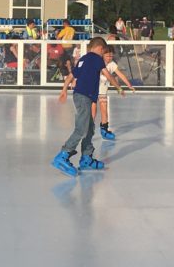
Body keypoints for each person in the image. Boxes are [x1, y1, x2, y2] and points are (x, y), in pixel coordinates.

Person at [52, 37, 124, 177]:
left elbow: (71, 76)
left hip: (80, 96)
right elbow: (108, 74)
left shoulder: (83, 59)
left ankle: (86, 158)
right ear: (101, 49)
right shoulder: (97, 58)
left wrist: (64, 90)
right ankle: (62, 156)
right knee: (82, 129)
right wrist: (119, 88)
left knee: (90, 128)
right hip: (84, 97)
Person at [92, 45, 135, 140]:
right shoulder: (96, 62)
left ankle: (104, 129)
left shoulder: (112, 64)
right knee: (93, 111)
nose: (109, 58)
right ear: (102, 55)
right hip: (92, 89)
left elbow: (120, 74)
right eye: (107, 56)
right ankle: (89, 129)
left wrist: (129, 85)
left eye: (111, 56)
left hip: (103, 89)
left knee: (104, 110)